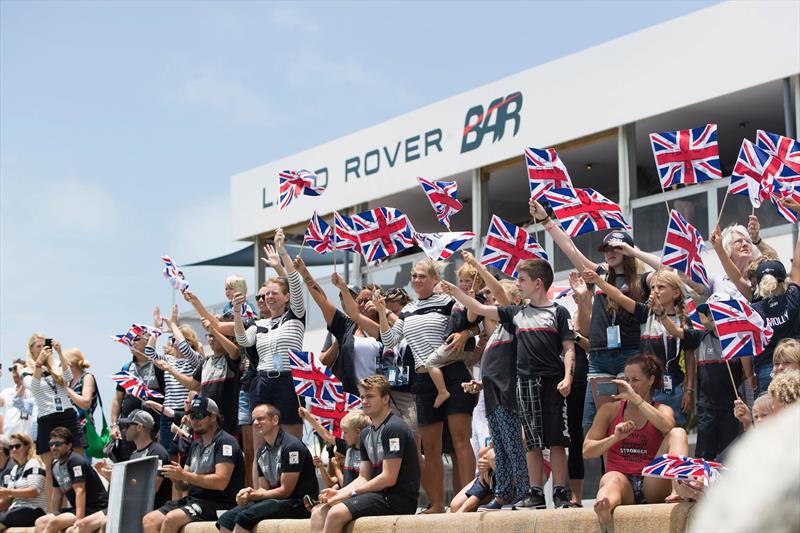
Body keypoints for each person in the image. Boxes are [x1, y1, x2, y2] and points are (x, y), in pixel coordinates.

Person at [442, 258, 576, 509]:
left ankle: (560, 492)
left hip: (551, 382)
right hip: (523, 386)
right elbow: (478, 308)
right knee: (533, 442)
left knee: (557, 440)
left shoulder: (558, 311)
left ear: (537, 283)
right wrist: (456, 292)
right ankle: (534, 493)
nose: (518, 283)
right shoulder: (516, 314)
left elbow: (569, 348)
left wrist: (568, 376)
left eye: (522, 279)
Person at [530, 200, 653, 432]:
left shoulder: (643, 279)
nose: (610, 252)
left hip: (629, 354)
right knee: (596, 424)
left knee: (626, 418)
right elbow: (570, 249)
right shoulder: (600, 275)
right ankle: (608, 469)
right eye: (606, 249)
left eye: (617, 248)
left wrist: (634, 252)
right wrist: (547, 220)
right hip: (599, 358)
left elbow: (668, 270)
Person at [373, 258, 475, 513]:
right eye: (414, 276)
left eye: (421, 276)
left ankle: (468, 501)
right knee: (430, 447)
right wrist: (382, 310)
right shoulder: (407, 310)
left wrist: (465, 333)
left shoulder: (449, 301)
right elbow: (389, 339)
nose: (416, 280)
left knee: (460, 440)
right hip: (423, 379)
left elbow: (478, 322)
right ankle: (437, 504)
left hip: (452, 372)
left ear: (434, 278)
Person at [454, 252, 529, 511]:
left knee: (511, 445)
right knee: (501, 444)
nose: (489, 300)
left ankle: (521, 489)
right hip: (493, 395)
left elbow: (496, 291)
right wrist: (455, 291)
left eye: (494, 298)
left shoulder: (514, 320)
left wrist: (479, 267)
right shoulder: (496, 330)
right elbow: (475, 308)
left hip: (509, 395)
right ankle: (504, 490)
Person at [583, 355, 689, 533]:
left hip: (651, 482)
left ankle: (679, 489)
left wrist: (637, 400)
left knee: (678, 433)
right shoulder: (609, 410)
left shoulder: (662, 410)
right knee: (611, 480)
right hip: (622, 481)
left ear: (651, 380)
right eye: (626, 380)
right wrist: (614, 438)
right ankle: (604, 506)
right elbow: (587, 451)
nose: (629, 385)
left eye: (635, 380)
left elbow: (667, 426)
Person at [582, 268, 699, 426]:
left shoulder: (684, 321)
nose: (655, 291)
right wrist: (599, 281)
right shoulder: (646, 313)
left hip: (673, 389)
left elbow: (690, 357)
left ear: (676, 293)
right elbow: (619, 296)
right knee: (646, 435)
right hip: (647, 390)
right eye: (652, 288)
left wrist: (689, 389)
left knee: (673, 432)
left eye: (661, 287)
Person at [309, 375, 420, 533]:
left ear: (385, 399)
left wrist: (349, 494)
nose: (364, 401)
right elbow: (364, 477)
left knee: (335, 513)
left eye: (370, 396)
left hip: (397, 499)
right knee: (319, 511)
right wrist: (339, 492)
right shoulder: (366, 433)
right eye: (362, 396)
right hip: (375, 495)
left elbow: (389, 478)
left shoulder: (394, 428)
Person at [234, 229, 305, 440]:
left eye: (274, 293)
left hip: (288, 379)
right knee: (261, 444)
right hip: (263, 380)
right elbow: (243, 340)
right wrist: (237, 313)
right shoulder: (260, 324)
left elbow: (294, 281)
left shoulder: (295, 315)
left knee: (292, 438)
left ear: (287, 297)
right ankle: (263, 475)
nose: (269, 297)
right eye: (266, 295)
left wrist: (282, 252)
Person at [142, 396, 245, 532]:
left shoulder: (225, 442)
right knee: (149, 520)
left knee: (171, 519)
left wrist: (185, 475)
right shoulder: (196, 444)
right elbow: (183, 486)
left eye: (199, 415)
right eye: (192, 416)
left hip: (219, 503)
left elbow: (221, 482)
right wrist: (177, 478)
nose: (194, 420)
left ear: (213, 417)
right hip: (194, 501)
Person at [217, 403, 319, 532]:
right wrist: (248, 494)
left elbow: (285, 491)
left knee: (244, 518)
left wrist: (253, 495)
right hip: (275, 501)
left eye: (260, 418)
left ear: (275, 420)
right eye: (253, 420)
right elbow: (264, 489)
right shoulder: (261, 452)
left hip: (298, 503)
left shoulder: (292, 446)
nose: (255, 423)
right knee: (225, 520)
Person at [296, 258, 382, 395]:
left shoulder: (385, 329)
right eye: (360, 300)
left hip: (376, 397)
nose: (363, 304)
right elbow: (322, 301)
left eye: (368, 300)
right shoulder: (347, 326)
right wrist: (304, 272)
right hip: (349, 397)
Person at [27, 336, 84, 507]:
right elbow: (34, 388)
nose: (43, 349)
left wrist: (59, 352)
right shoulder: (27, 370)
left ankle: (79, 507)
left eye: (45, 345)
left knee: (77, 462)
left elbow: (68, 378)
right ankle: (53, 511)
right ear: (31, 350)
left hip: (67, 414)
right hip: (47, 417)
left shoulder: (55, 365)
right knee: (51, 469)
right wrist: (39, 363)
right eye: (38, 346)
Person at [425, 262, 484, 409]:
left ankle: (442, 392)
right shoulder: (460, 297)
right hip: (459, 346)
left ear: (478, 282)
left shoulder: (477, 299)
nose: (464, 284)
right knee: (460, 370)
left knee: (430, 363)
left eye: (468, 281)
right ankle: (469, 389)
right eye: (462, 281)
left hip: (458, 343)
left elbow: (471, 319)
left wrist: (472, 302)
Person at [146, 306, 203, 457]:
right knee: (167, 453)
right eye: (172, 339)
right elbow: (149, 352)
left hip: (186, 412)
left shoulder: (195, 359)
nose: (174, 343)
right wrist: (157, 329)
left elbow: (184, 348)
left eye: (176, 339)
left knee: (186, 451)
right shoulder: (168, 360)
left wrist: (172, 324)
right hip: (168, 412)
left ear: (189, 343)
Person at [694, 294, 743, 461]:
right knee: (704, 456)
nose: (711, 316)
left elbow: (746, 373)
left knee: (729, 456)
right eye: (709, 313)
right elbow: (676, 331)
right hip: (707, 407)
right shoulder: (701, 337)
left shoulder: (738, 339)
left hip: (731, 408)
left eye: (717, 312)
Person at [34, 427, 108, 533]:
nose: (54, 447)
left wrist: (79, 519)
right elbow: (57, 495)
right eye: (51, 444)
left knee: (53, 523)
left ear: (69, 445)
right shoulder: (55, 465)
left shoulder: (75, 461)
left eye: (58, 444)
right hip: (77, 508)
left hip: (95, 507)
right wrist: (52, 514)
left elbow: (80, 491)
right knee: (40, 522)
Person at [110, 329, 165, 461]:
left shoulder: (159, 366)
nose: (131, 342)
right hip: (129, 429)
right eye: (129, 340)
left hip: (152, 428)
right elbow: (117, 399)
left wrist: (163, 428)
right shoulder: (126, 368)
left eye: (135, 339)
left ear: (148, 341)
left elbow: (167, 398)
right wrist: (114, 425)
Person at [102, 409, 172, 510]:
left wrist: (115, 479)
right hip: (135, 507)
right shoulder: (134, 455)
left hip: (150, 510)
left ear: (139, 427)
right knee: (83, 524)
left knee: (101, 522)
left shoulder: (158, 452)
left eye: (127, 426)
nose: (124, 430)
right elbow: (133, 486)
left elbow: (152, 489)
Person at [751, 254, 800, 396]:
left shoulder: (754, 310)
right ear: (784, 281)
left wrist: (749, 374)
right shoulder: (794, 296)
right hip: (795, 361)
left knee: (769, 413)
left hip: (768, 368)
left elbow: (747, 345)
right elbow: (797, 266)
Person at [0, 433, 47, 529]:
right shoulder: (15, 468)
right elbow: (9, 498)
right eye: (11, 447)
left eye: (17, 446)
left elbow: (34, 491)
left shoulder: (33, 463)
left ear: (27, 447)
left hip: (34, 509)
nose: (14, 450)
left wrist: (8, 492)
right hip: (17, 508)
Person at [63, 349, 98, 438]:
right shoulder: (70, 382)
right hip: (71, 429)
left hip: (84, 429)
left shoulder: (86, 377)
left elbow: (86, 403)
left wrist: (67, 390)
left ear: (70, 363)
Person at [449, 445, 495, 513]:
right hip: (485, 475)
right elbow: (481, 453)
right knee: (455, 506)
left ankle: (463, 510)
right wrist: (484, 459)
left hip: (502, 474)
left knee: (478, 492)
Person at [0, 360, 36, 439]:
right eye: (12, 370)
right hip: (9, 437)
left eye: (16, 370)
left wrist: (25, 377)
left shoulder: (31, 392)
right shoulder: (6, 392)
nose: (15, 373)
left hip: (27, 439)